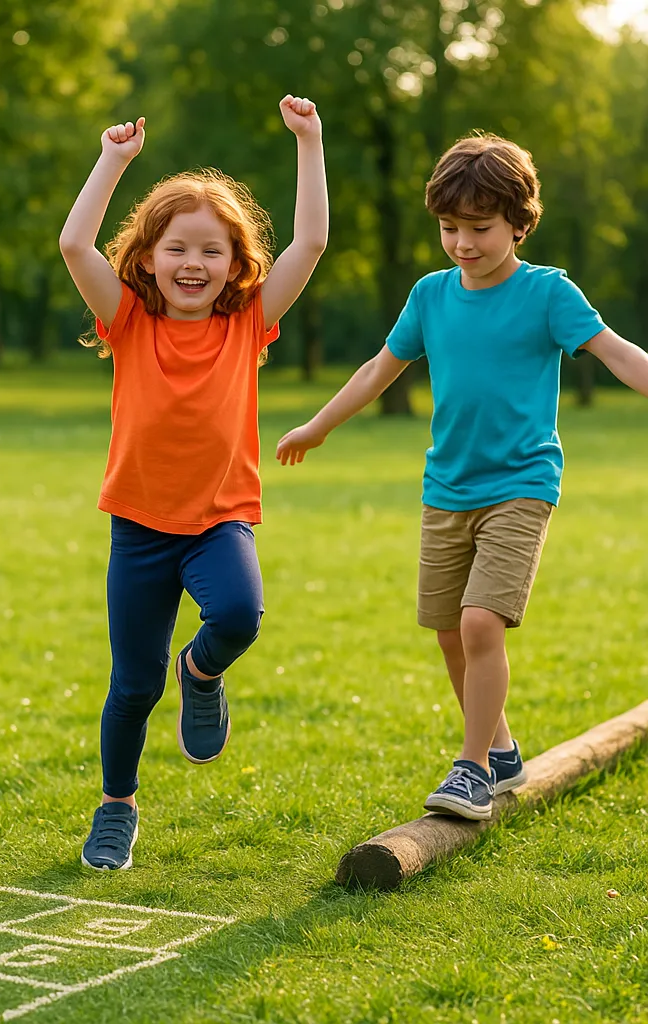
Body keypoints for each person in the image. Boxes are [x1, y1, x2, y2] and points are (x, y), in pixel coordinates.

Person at [277, 133, 648, 820]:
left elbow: (618, 355)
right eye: (450, 228)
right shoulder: (431, 296)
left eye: (479, 228)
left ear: (519, 222)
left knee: (481, 624)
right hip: (446, 487)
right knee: (450, 631)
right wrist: (320, 424)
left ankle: (472, 767)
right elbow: (377, 370)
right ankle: (502, 750)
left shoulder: (547, 293)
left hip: (521, 484)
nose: (462, 243)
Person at [59, 96, 328, 869]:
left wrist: (308, 143)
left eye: (211, 252)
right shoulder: (127, 321)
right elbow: (75, 244)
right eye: (177, 248)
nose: (192, 264)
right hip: (140, 529)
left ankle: (202, 670)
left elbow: (308, 242)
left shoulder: (246, 325)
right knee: (133, 686)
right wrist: (112, 161)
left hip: (218, 522)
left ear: (235, 266)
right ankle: (116, 805)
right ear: (147, 257)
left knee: (240, 613)